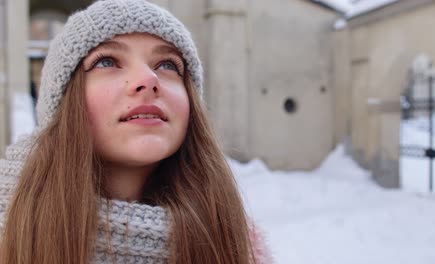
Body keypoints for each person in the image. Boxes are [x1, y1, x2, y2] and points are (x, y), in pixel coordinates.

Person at [0, 0, 272, 263]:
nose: (148, 80)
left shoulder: (235, 244)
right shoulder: (10, 231)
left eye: (167, 65)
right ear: (63, 102)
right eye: (106, 61)